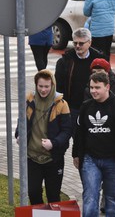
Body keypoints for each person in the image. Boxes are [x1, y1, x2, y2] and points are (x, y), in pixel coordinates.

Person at [72, 71, 115, 217]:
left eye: (97, 87)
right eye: (91, 87)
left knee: (112, 197)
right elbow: (79, 132)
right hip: (90, 159)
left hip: (114, 161)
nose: (93, 91)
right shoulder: (86, 107)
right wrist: (76, 154)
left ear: (107, 87)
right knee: (90, 196)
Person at [15, 69, 73, 206]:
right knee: (33, 192)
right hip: (32, 157)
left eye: (47, 86)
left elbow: (67, 131)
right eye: (40, 86)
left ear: (52, 85)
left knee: (53, 195)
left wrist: (54, 143)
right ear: (36, 85)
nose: (43, 90)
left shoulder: (62, 104)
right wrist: (19, 134)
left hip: (53, 159)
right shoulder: (29, 99)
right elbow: (21, 120)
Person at [54, 27, 105, 121]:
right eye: (75, 43)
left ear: (89, 43)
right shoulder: (65, 61)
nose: (77, 46)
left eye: (81, 43)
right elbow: (59, 86)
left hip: (94, 106)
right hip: (72, 107)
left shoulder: (98, 60)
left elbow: (108, 81)